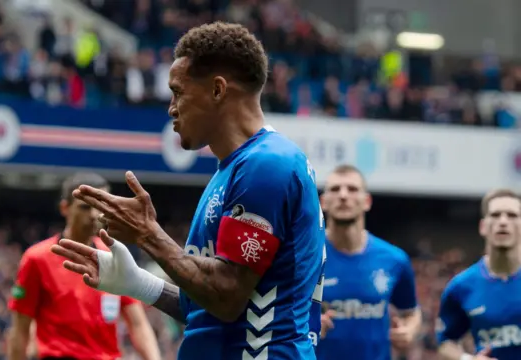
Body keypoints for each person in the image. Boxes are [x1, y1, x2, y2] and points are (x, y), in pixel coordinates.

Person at [50, 22, 326, 360]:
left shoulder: (267, 165)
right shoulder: (233, 172)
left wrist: (149, 236)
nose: (171, 107)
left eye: (178, 91)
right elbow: (205, 308)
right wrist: (136, 283)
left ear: (217, 90)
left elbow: (226, 297)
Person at [7, 173, 161, 360]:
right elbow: (20, 330)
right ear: (65, 208)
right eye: (85, 207)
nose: (94, 215)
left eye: (100, 207)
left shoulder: (115, 257)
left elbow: (138, 324)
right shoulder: (37, 259)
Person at [316, 165, 421, 360]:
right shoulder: (305, 256)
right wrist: (307, 326)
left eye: (352, 189)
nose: (343, 196)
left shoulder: (394, 259)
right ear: (323, 202)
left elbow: (411, 312)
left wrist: (408, 331)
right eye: (335, 189)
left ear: (367, 201)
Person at [437, 189, 521, 360]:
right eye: (495, 215)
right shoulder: (461, 286)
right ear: (483, 227)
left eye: (512, 215)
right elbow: (445, 343)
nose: (503, 221)